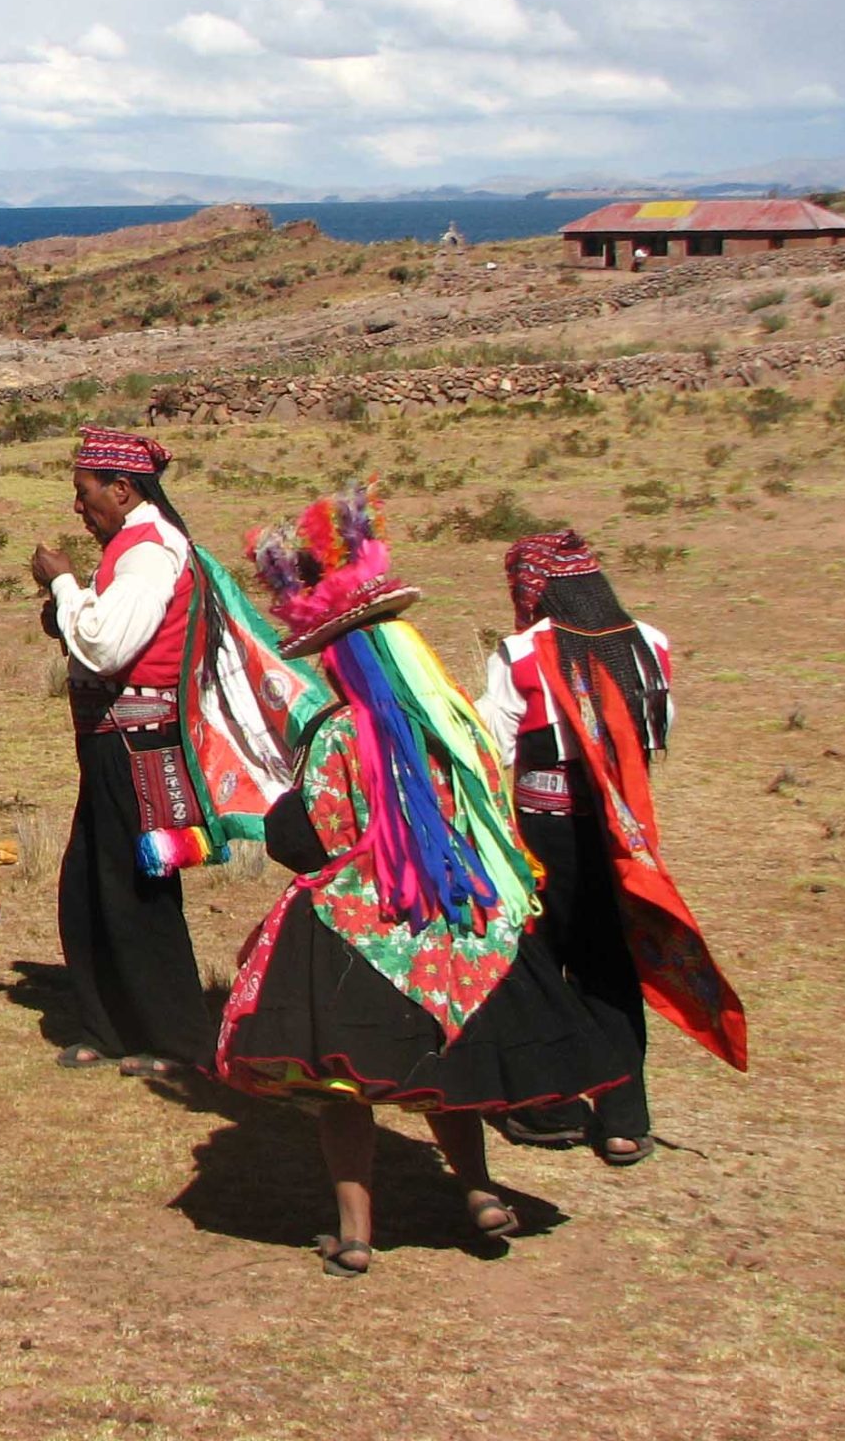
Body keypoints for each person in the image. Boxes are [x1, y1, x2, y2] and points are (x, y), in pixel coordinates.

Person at [217, 484, 634, 1277]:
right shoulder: (452, 721)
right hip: (455, 922)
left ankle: (355, 1232)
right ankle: (477, 1190)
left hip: (358, 932)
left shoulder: (338, 733)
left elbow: (316, 841)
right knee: (450, 1071)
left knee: (345, 1091)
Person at [31, 428, 319, 1077]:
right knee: (92, 889)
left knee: (137, 895)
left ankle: (176, 1038)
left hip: (136, 749)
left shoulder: (150, 552)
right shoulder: (135, 548)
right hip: (117, 745)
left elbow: (105, 647)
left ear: (123, 488)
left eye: (85, 493)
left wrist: (64, 583)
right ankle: (112, 1026)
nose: (78, 506)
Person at [476, 531, 745, 1164]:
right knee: (609, 967)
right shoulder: (649, 645)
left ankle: (552, 1104)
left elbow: (498, 743)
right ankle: (625, 1119)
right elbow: (659, 729)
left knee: (535, 962)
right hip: (622, 835)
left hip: (543, 834)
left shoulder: (523, 653)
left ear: (531, 588)